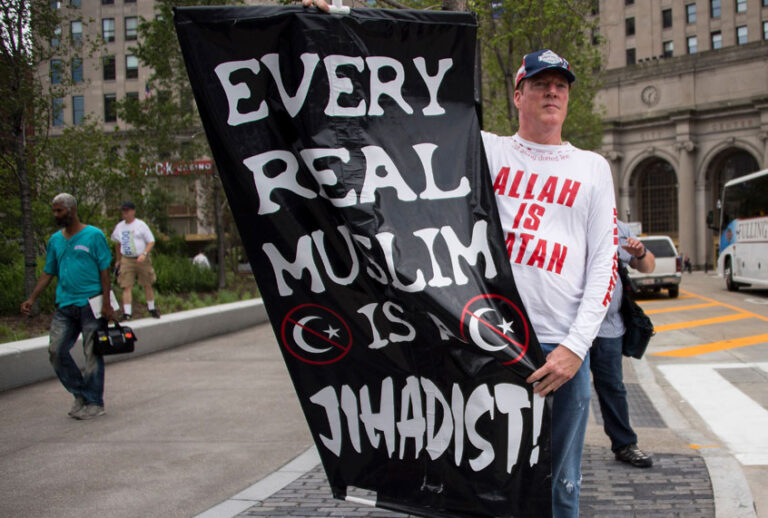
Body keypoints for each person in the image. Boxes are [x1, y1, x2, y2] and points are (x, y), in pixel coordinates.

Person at [20, 193, 115, 420]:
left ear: (72, 210)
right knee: (56, 351)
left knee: (92, 353)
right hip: (65, 305)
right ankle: (80, 394)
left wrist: (107, 303)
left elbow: (105, 270)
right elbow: (48, 272)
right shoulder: (55, 240)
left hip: (91, 303)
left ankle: (94, 403)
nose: (56, 215)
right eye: (54, 210)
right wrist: (32, 298)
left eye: (59, 211)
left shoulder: (94, 235)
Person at [590, 220, 656, 468]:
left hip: (609, 327)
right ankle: (553, 449)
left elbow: (648, 266)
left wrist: (639, 253)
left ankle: (625, 444)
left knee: (613, 387)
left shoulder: (619, 228)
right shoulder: (568, 216)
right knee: (567, 392)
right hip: (571, 327)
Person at [111, 201, 160, 320]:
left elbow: (151, 241)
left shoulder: (140, 225)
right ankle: (127, 312)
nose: (125, 213)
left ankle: (151, 308)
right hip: (127, 259)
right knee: (126, 285)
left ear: (133, 211)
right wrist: (118, 259)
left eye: (127, 211)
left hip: (141, 258)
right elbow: (117, 243)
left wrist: (144, 253)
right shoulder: (120, 226)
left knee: (147, 283)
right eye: (124, 211)